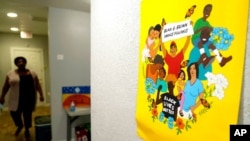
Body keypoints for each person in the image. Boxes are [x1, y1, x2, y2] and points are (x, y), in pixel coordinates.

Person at [0, 56, 44, 139]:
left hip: (29, 98)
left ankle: (27, 129)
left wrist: (41, 95)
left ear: (25, 63)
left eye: (22, 61)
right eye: (19, 62)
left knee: (27, 115)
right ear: (16, 64)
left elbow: (37, 85)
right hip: (15, 98)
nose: (21, 63)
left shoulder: (32, 73)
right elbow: (6, 86)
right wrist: (2, 96)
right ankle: (20, 125)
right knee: (14, 113)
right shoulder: (10, 74)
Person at [191, 4, 232, 68]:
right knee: (200, 42)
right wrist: (202, 28)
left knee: (211, 45)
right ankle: (204, 59)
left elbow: (212, 29)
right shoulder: (199, 21)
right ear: (203, 11)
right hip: (196, 39)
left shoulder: (207, 23)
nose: (207, 12)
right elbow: (194, 32)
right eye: (206, 10)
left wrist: (211, 29)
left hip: (204, 39)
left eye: (209, 11)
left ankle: (220, 60)